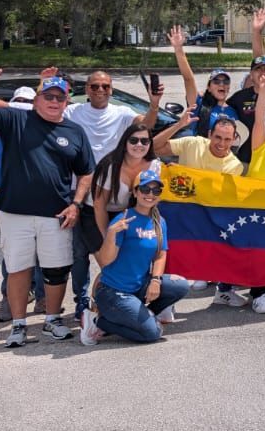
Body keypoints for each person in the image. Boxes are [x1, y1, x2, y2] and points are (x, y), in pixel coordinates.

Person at [0, 61, 95, 348]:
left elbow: (86, 172)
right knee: (19, 269)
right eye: (48, 96)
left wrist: (76, 203)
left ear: (67, 102)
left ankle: (52, 320)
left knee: (55, 270)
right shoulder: (16, 119)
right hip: (14, 211)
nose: (54, 102)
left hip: (57, 213)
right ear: (38, 99)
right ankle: (18, 325)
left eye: (59, 98)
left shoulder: (75, 132)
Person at [62, 68, 163, 321]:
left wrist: (153, 104)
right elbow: (42, 112)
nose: (100, 91)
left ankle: (111, 305)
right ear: (86, 90)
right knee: (79, 256)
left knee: (112, 264)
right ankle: (83, 303)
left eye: (105, 86)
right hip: (86, 198)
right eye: (94, 86)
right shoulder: (73, 112)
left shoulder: (122, 114)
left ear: (112, 90)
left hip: (118, 205)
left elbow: (145, 126)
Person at [152, 109, 253, 309]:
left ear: (234, 139)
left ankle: (223, 291)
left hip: (208, 213)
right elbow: (154, 147)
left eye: (227, 139)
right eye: (217, 137)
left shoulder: (234, 165)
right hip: (180, 209)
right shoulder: (193, 142)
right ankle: (164, 300)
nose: (221, 144)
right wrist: (179, 126)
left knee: (232, 239)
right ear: (209, 135)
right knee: (169, 252)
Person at [79, 165, 191, 345]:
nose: (151, 194)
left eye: (156, 190)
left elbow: (161, 254)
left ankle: (142, 315)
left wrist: (155, 280)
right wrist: (111, 234)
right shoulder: (123, 219)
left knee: (181, 285)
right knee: (152, 333)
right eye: (145, 188)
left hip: (139, 286)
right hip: (113, 292)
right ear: (135, 192)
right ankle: (97, 322)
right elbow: (107, 262)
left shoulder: (159, 221)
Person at [90, 123, 163, 250]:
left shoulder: (155, 166)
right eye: (134, 141)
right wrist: (108, 237)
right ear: (125, 143)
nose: (139, 145)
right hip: (97, 213)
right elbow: (99, 205)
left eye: (145, 141)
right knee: (105, 258)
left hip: (128, 214)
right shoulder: (110, 166)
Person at [167, 25, 236, 138]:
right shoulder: (199, 104)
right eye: (216, 81)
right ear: (209, 87)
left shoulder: (233, 112)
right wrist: (178, 49)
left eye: (225, 81)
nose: (221, 84)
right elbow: (188, 79)